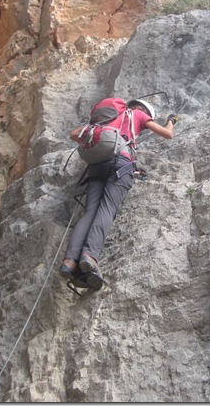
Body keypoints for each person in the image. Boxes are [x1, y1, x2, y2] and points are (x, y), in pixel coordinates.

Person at [59, 98, 178, 289]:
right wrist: (172, 120)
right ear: (141, 109)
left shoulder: (101, 122)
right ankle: (89, 256)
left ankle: (69, 261)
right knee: (107, 209)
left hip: (95, 167)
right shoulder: (137, 114)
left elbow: (74, 134)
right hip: (120, 164)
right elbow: (167, 134)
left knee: (90, 212)